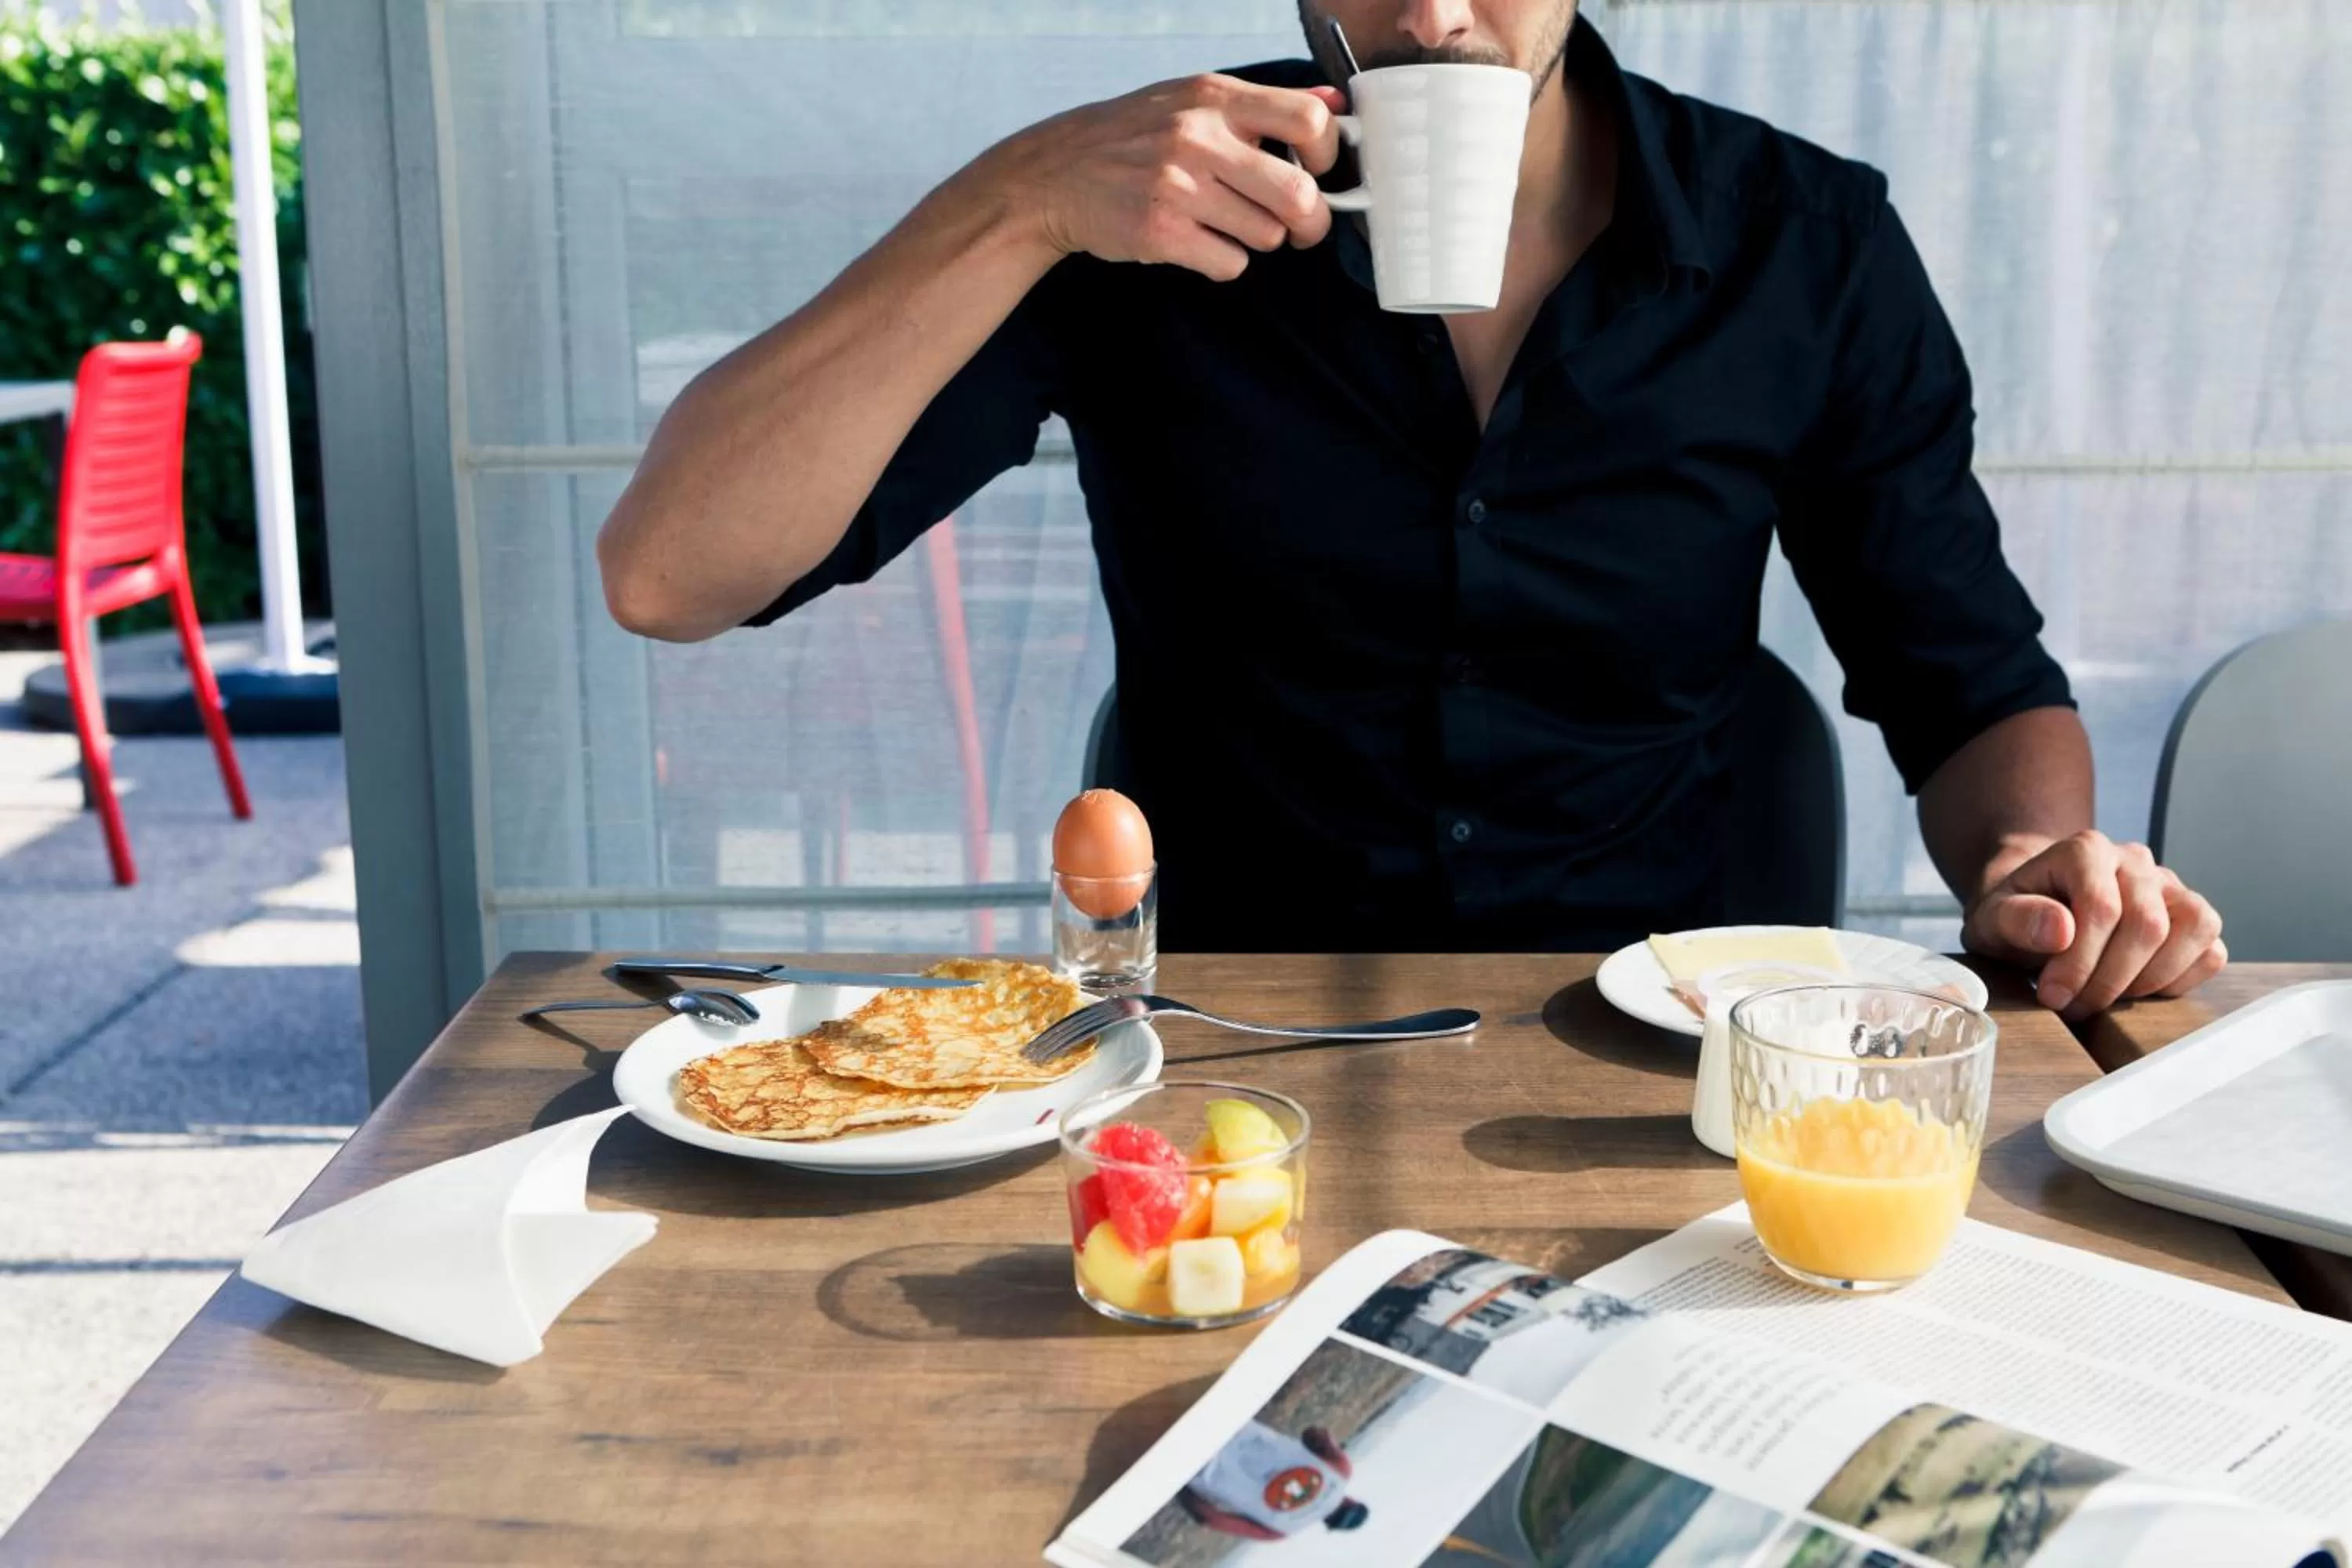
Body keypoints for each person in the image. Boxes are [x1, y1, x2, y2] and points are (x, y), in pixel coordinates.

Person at [596, 1, 2228, 1018]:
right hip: (1243, 1054)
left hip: (1661, 1058)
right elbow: (669, 571)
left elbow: (1971, 682)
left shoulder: (1801, 245)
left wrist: (2035, 861)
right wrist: (1013, 200)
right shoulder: (1136, 214)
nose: (1437, 18)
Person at [1179, 1421, 1371, 1541]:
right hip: (1196, 1465)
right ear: (1328, 1522)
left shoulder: (1341, 1470)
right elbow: (1211, 1519)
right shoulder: (1280, 1531)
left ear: (1352, 1501)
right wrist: (1180, 1484)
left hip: (1233, 1425)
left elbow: (1314, 1433)